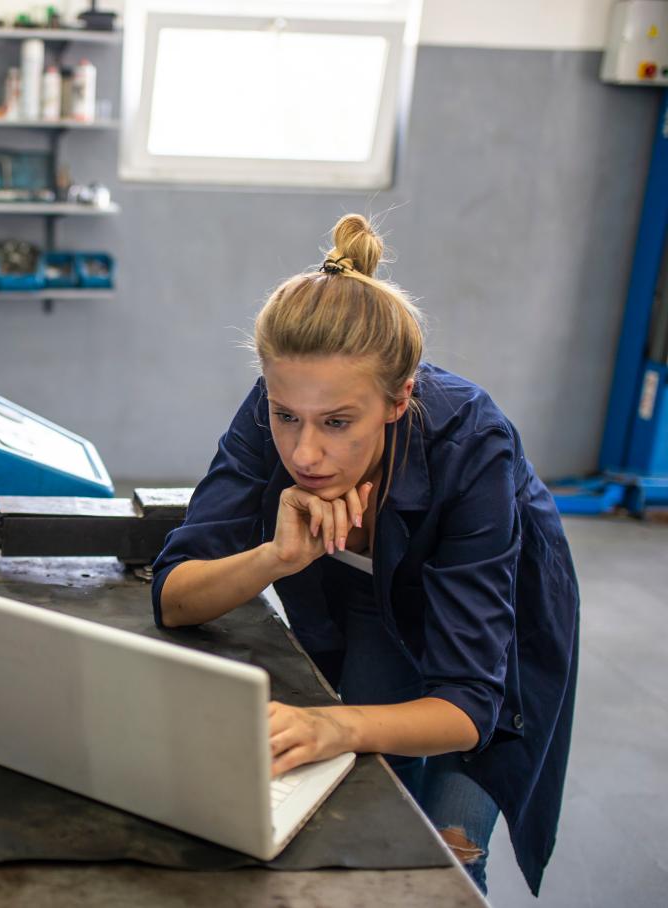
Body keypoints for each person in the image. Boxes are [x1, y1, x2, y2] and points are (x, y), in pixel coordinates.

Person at [151, 214, 579, 896]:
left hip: (491, 620)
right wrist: (274, 559)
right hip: (366, 601)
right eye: (286, 416)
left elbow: (470, 705)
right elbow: (173, 595)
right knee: (380, 804)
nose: (304, 452)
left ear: (399, 398)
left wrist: (331, 726)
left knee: (448, 845)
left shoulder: (474, 446)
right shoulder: (274, 409)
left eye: (338, 423)